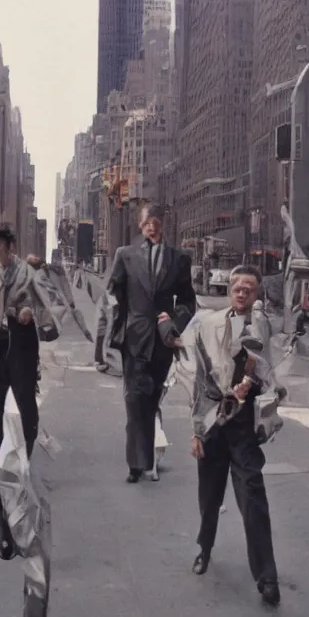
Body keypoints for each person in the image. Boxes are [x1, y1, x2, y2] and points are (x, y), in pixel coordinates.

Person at [188, 266, 281, 606]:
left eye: (249, 289)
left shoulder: (262, 327)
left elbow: (268, 375)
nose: (242, 293)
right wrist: (197, 430)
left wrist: (252, 384)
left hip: (242, 424)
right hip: (213, 421)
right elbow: (198, 381)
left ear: (257, 294)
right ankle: (204, 548)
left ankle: (267, 576)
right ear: (230, 290)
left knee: (253, 498)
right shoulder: (208, 324)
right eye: (237, 288)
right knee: (209, 497)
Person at [104, 203, 196, 482]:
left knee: (152, 399)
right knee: (134, 400)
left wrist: (175, 321)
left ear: (163, 225)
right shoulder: (126, 255)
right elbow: (111, 295)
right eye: (147, 222)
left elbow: (189, 300)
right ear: (140, 225)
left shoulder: (179, 258)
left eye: (156, 221)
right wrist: (112, 334)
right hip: (134, 337)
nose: (152, 226)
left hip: (163, 339)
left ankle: (149, 458)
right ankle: (137, 464)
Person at [0, 224, 57, 518]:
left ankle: (23, 472)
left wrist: (30, 314)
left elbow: (44, 304)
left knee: (27, 414)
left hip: (21, 350)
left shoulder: (28, 274)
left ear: (10, 247)